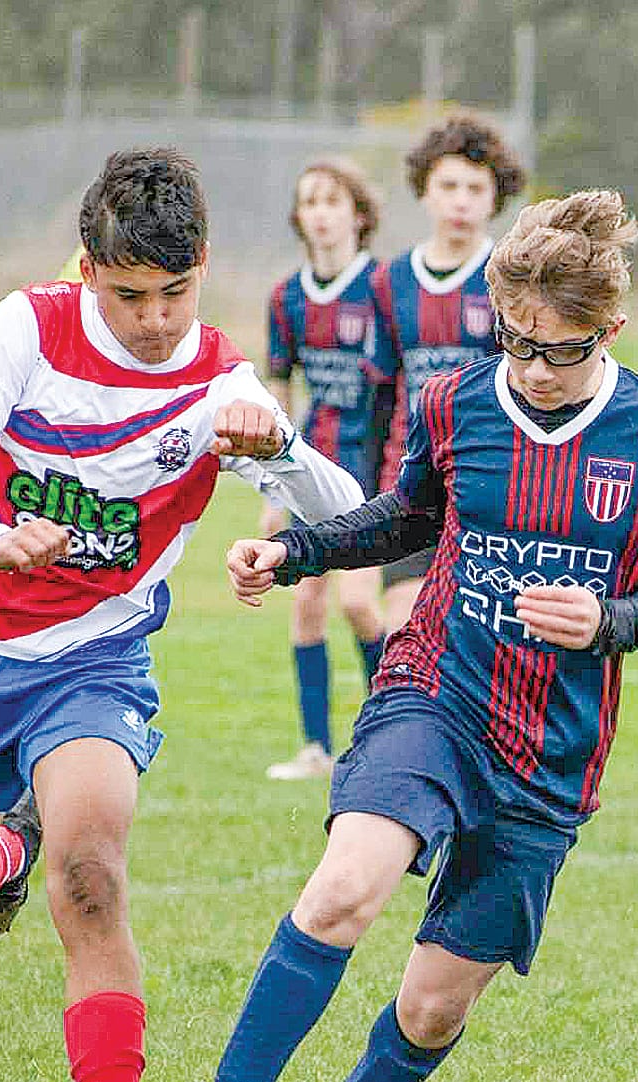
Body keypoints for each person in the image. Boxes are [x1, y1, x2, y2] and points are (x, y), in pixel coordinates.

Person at [81, 188, 638, 1082]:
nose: (535, 369)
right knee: (343, 889)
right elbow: (400, 516)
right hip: (435, 689)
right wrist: (291, 551)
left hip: (551, 749)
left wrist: (604, 619)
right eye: (517, 343)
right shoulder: (458, 401)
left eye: (561, 351)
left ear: (611, 332)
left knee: (433, 1002)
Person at [0, 148, 365, 1082]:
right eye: (131, 294)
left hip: (98, 660)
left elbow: (349, 512)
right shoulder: (26, 329)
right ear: (90, 268)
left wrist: (280, 446)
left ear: (205, 269)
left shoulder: (220, 383)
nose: (155, 319)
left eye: (177, 293)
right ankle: (3, 850)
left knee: (93, 865)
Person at [372, 113, 526, 635]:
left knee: (476, 639)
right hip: (413, 481)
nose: (461, 199)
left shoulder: (512, 277)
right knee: (401, 626)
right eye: (449, 185)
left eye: (475, 188)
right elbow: (379, 394)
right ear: (425, 192)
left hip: (492, 486)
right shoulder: (390, 281)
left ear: (495, 197)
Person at [261, 157, 389, 782]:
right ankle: (317, 747)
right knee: (306, 604)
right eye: (309, 200)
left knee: (361, 606)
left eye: (332, 200)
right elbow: (278, 393)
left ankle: (391, 731)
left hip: (372, 470)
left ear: (358, 215)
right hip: (312, 467)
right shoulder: (285, 298)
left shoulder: (385, 289)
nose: (320, 212)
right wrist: (272, 488)